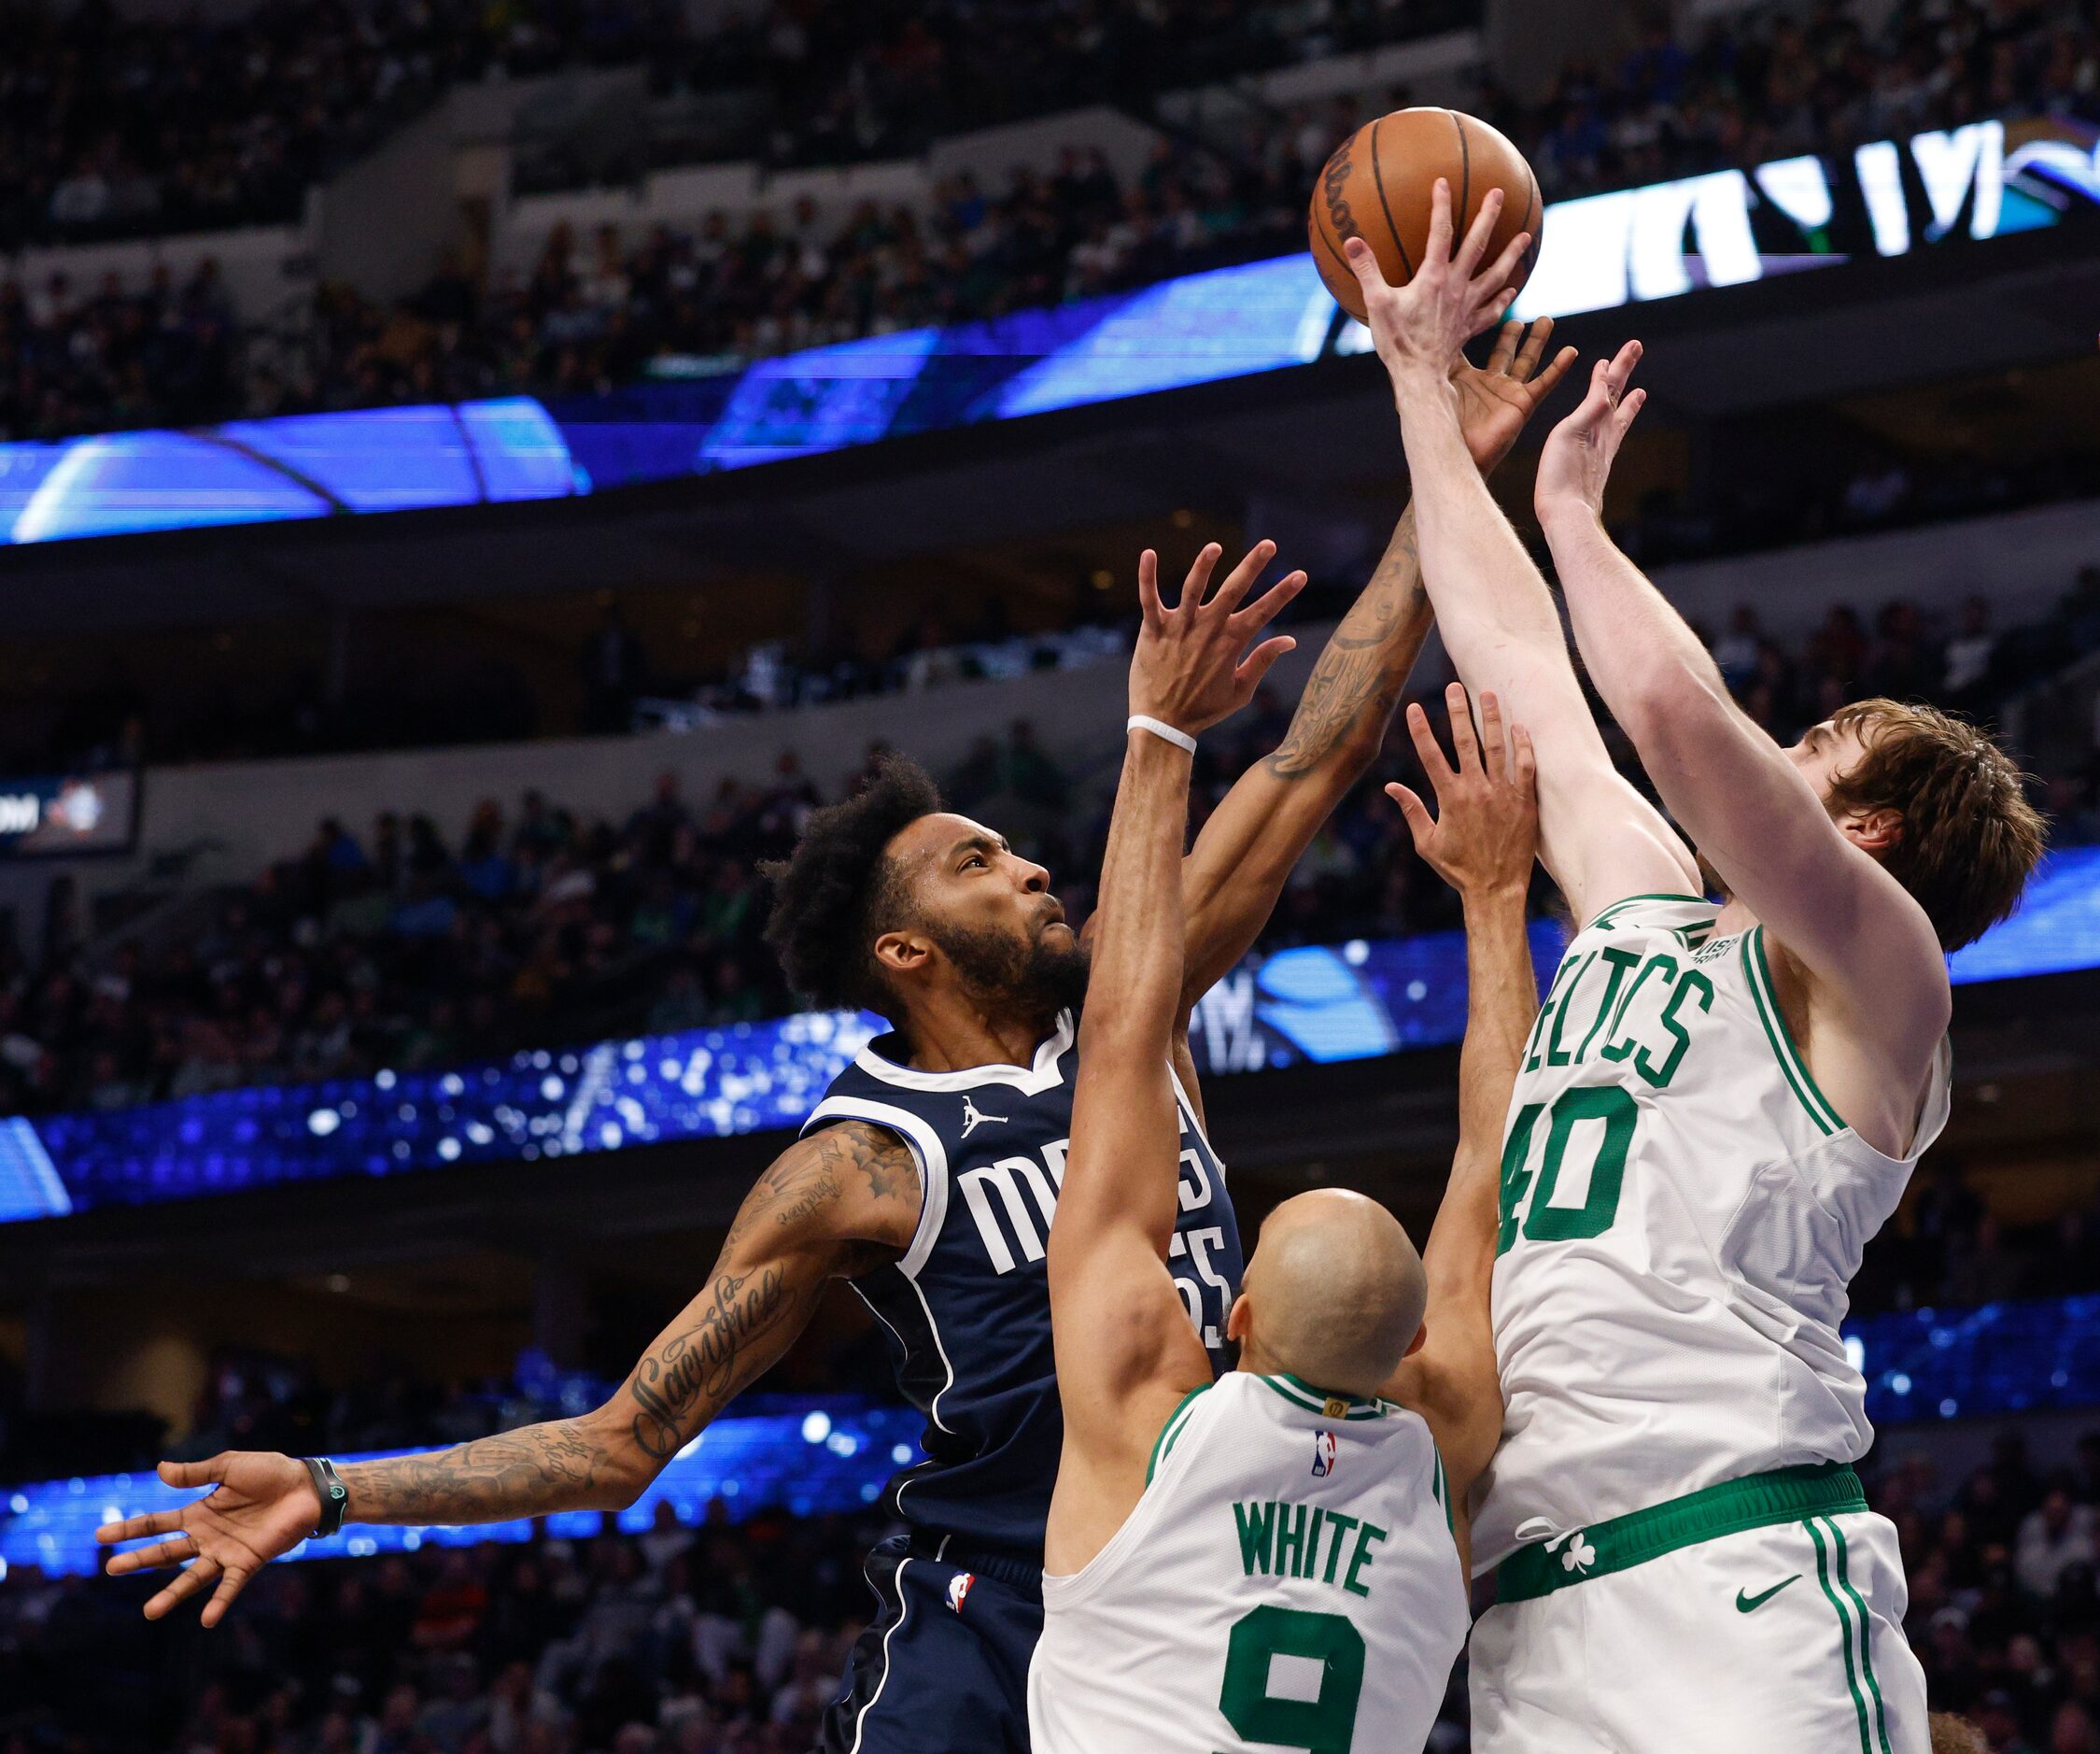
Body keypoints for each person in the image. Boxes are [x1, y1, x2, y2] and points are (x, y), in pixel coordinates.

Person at [96, 304, 1571, 1754]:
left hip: (1202, 1563)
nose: (1034, 864)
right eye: (977, 861)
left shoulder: (1136, 1014)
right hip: (992, 1621)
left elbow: (1324, 745)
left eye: (1015, 846)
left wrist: (1449, 473)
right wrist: (338, 1486)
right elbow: (621, 1442)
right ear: (905, 948)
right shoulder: (863, 1161)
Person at [1339, 180, 2047, 1754]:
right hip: (1530, 1603)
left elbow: (1668, 716)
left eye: (1808, 742)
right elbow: (1519, 659)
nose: (1768, 745)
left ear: (1859, 827)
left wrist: (1577, 513)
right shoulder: (1642, 906)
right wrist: (1411, 380)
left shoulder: (1883, 979)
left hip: (1733, 1572)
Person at [1028, 629, 1542, 1754]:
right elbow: (1499, 1178)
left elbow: (1119, 1038)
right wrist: (1494, 897)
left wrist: (1161, 733)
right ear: (1415, 1345)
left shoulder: (1145, 1423)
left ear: (1238, 1317)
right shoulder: (1444, 1436)